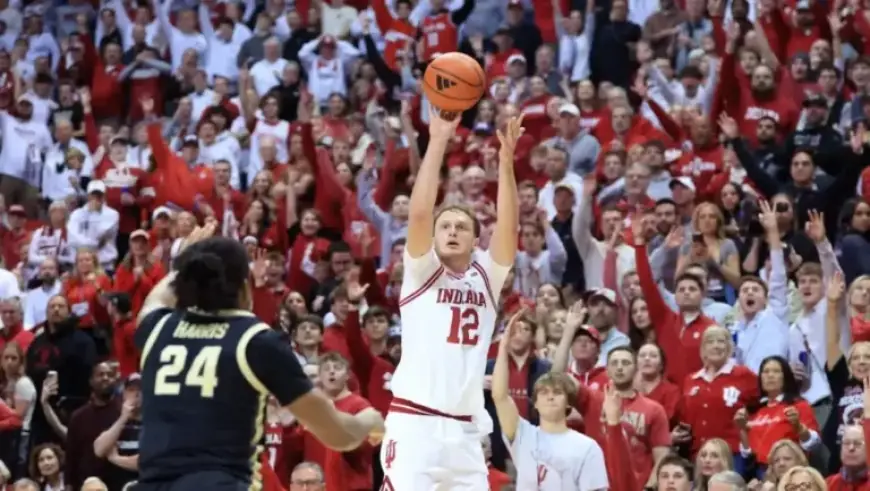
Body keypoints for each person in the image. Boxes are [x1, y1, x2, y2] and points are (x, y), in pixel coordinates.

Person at [132, 221, 385, 491]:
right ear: (244, 286)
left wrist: (189, 258)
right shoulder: (255, 341)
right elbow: (338, 435)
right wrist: (369, 420)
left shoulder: (155, 328)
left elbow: (156, 299)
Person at [378, 109, 522, 490]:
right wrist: (439, 139)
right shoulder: (421, 271)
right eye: (446, 226)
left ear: (477, 241)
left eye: (462, 226)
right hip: (415, 426)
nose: (453, 230)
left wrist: (506, 164)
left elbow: (509, 228)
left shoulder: (487, 280)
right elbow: (421, 211)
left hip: (465, 435)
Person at [491, 309, 608, 490]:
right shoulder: (524, 436)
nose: (550, 396)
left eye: (557, 392)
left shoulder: (588, 447)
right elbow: (499, 396)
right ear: (535, 403)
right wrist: (502, 345)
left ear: (569, 403)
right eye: (543, 393)